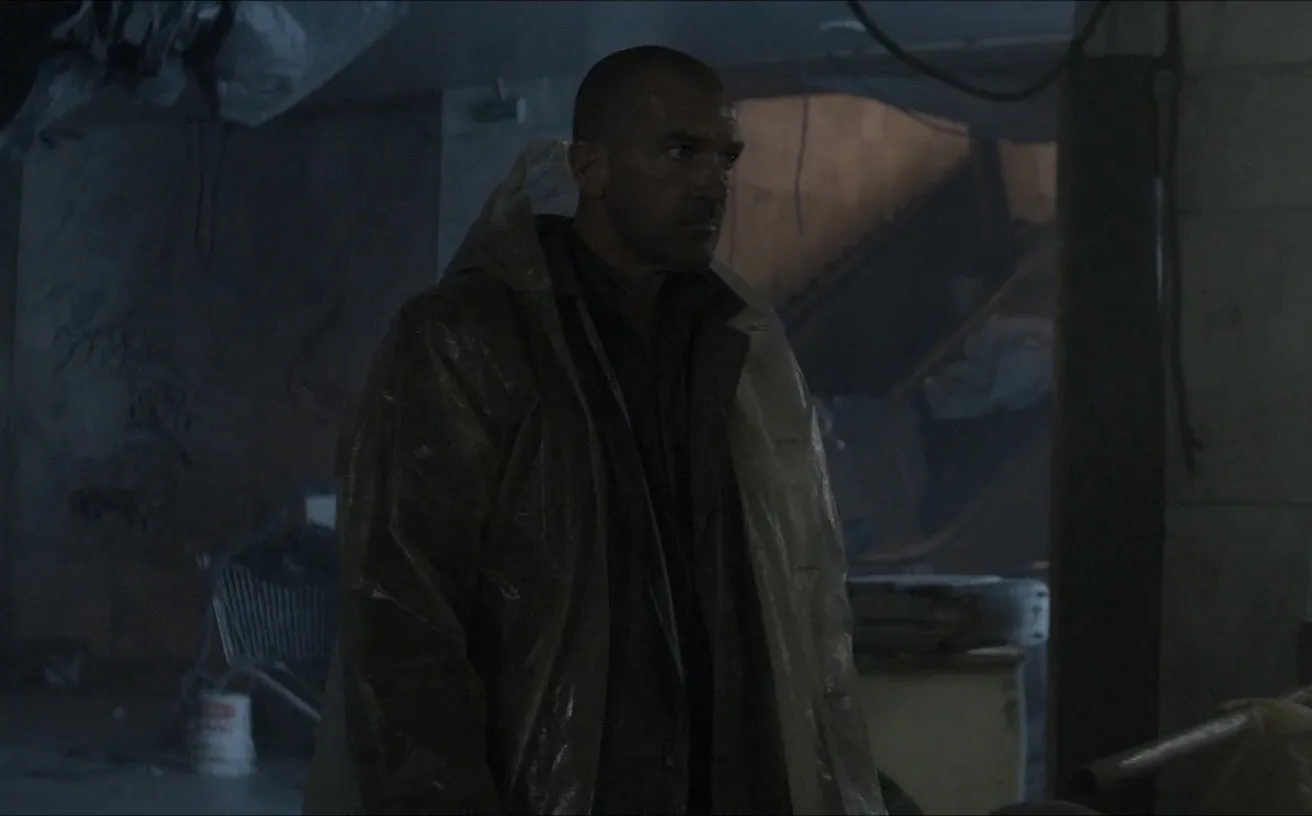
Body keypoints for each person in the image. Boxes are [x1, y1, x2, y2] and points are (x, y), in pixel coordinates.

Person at [303, 45, 883, 815]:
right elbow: (404, 618)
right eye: (679, 151)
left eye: (726, 156)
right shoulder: (471, 340)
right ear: (590, 167)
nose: (712, 183)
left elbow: (801, 604)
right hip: (561, 785)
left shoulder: (737, 347)